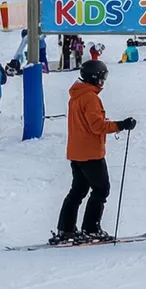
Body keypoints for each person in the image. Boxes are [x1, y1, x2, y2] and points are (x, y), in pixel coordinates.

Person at [53, 59, 135, 243]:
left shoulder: (76, 95)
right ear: (94, 78)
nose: (103, 81)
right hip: (90, 153)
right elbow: (97, 126)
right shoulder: (90, 97)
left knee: (78, 190)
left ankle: (66, 228)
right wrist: (121, 125)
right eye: (102, 77)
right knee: (101, 189)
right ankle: (91, 228)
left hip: (77, 151)